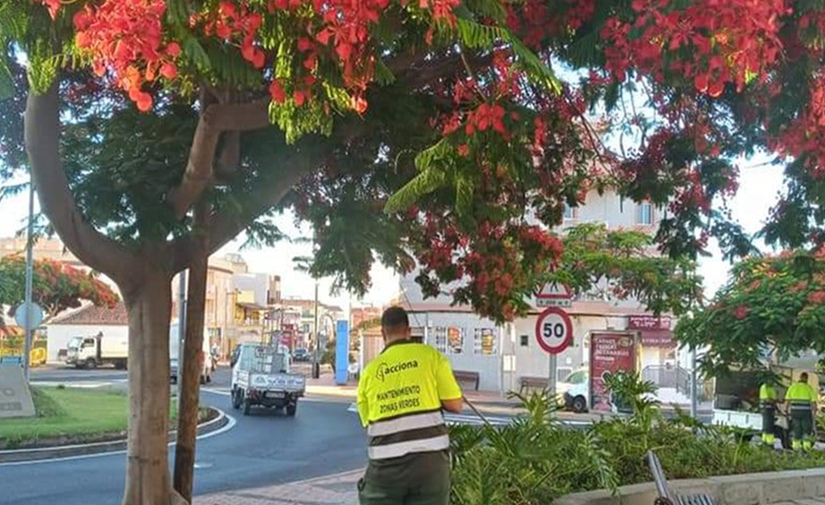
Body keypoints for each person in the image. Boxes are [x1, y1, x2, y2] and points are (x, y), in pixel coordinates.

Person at [356, 306, 463, 505]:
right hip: (430, 464)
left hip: (385, 468)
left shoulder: (369, 372)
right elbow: (455, 405)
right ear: (409, 330)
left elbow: (368, 422)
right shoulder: (432, 357)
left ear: (382, 333)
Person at [785, 372, 818, 450]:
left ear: (800, 377)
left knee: (797, 429)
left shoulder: (792, 387)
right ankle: (806, 448)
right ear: (806, 378)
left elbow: (787, 400)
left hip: (795, 412)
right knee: (806, 430)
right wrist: (814, 411)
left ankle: (796, 448)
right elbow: (813, 402)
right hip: (805, 413)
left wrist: (786, 410)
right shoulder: (808, 388)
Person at [759, 380, 778, 446]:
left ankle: (765, 442)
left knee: (768, 425)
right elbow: (768, 399)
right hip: (766, 409)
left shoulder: (772, 388)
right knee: (768, 426)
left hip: (770, 409)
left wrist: (774, 402)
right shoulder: (764, 387)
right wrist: (773, 401)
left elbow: (774, 400)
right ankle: (768, 443)